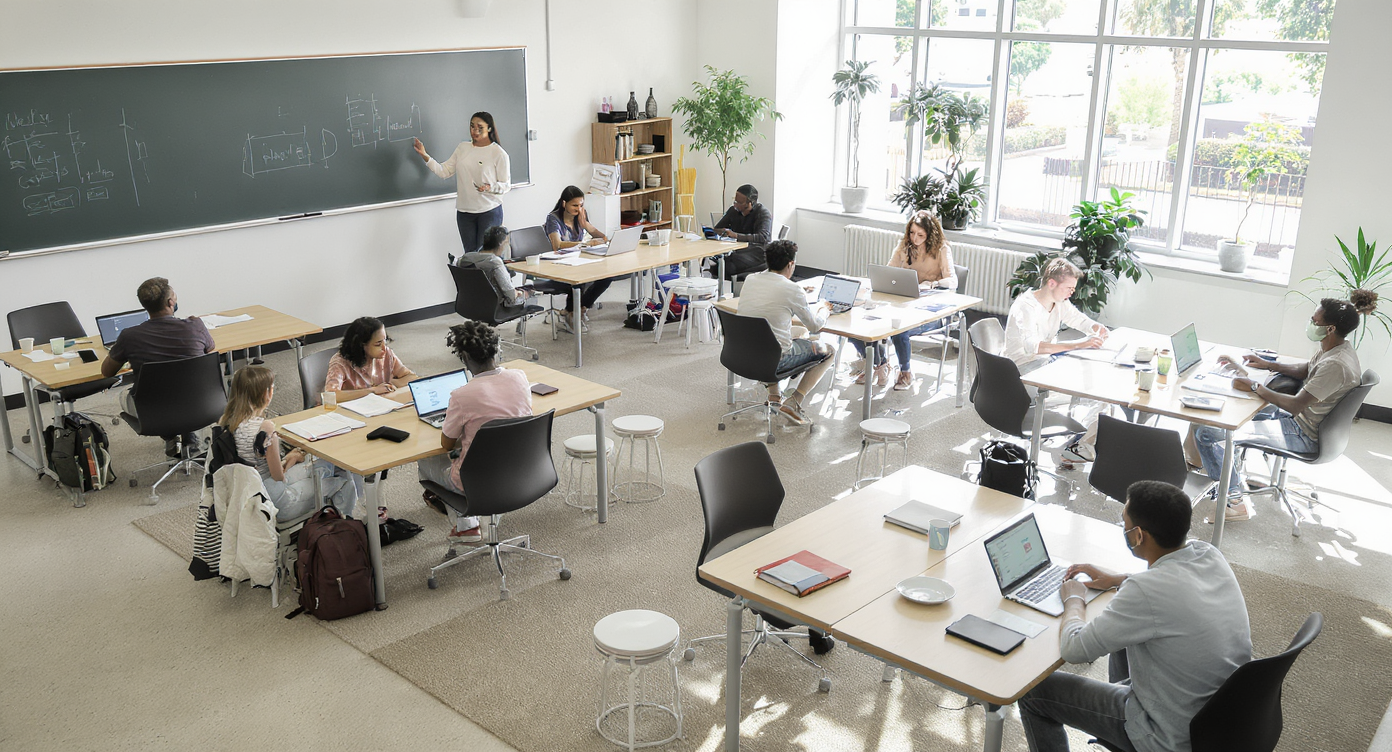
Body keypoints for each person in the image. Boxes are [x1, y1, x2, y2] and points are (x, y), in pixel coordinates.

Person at [1018, 480, 1251, 752]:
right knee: (1125, 634)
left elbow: (1074, 649)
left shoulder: (1144, 591)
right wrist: (1118, 579)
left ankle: (1127, 734)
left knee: (1033, 692)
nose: (1123, 529)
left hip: (1166, 734)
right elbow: (1172, 590)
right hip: (1213, 717)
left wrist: (1073, 598)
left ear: (1138, 535)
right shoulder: (1209, 554)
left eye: (1124, 524)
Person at [1192, 295, 1368, 522]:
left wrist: (1255, 386)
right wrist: (1268, 364)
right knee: (1229, 415)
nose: (1310, 324)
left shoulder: (1336, 364)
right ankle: (1233, 478)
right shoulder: (1336, 347)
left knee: (1206, 433)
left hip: (1303, 432)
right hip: (1301, 419)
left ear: (1330, 328)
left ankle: (1234, 501)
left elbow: (1295, 404)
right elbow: (1306, 369)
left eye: (1314, 321)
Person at [415, 321, 533, 541]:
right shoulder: (519, 377)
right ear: (496, 350)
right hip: (520, 469)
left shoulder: (461, 395)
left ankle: (466, 525)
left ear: (465, 357)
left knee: (428, 460)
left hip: (477, 480)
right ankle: (471, 520)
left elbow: (446, 444)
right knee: (470, 450)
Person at [218, 366, 358, 520]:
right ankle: (344, 525)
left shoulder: (225, 424)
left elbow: (257, 464)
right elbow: (278, 476)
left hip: (246, 493)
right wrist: (285, 463)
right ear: (266, 394)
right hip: (274, 500)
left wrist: (287, 459)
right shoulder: (265, 429)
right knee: (342, 479)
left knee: (321, 465)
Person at [101, 277, 216, 456]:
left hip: (153, 413)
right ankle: (188, 438)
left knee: (126, 394)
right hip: (202, 404)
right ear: (170, 302)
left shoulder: (129, 336)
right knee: (181, 387)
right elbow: (210, 348)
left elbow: (107, 371)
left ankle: (171, 436)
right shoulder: (195, 326)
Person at [849, 211, 959, 391]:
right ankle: (879, 365)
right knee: (859, 324)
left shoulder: (942, 249)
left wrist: (932, 284)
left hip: (930, 311)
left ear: (930, 234)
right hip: (903, 304)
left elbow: (953, 281)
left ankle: (905, 372)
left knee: (899, 329)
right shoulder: (904, 246)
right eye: (912, 233)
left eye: (920, 235)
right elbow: (888, 271)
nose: (915, 238)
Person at [735, 239, 834, 426]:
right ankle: (794, 401)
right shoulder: (792, 289)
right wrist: (824, 310)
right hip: (774, 360)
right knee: (828, 350)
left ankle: (774, 396)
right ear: (790, 264)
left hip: (742, 354)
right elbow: (815, 326)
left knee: (797, 332)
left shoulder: (751, 279)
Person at [413, 111, 511, 255]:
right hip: (465, 213)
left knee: (486, 258)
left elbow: (506, 185)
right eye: (472, 126)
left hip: (489, 211)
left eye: (480, 128)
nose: (475, 131)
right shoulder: (463, 148)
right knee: (470, 257)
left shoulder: (498, 153)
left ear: (489, 128)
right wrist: (425, 155)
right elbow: (444, 171)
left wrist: (490, 187)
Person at [1003, 257, 1108, 373]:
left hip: (1044, 359)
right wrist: (1079, 345)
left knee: (1083, 366)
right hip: (1019, 366)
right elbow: (1032, 347)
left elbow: (1079, 320)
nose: (1071, 293)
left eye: (1073, 289)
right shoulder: (1025, 306)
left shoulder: (1060, 302)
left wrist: (1096, 327)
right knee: (1072, 372)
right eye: (1069, 288)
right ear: (1052, 284)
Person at [543, 186, 617, 333]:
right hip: (560, 263)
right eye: (575, 205)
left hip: (580, 260)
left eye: (581, 205)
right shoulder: (553, 218)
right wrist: (584, 244)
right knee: (578, 278)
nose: (578, 209)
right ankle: (572, 313)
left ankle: (579, 308)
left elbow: (602, 238)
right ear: (564, 203)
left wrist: (586, 225)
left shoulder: (581, 215)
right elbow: (557, 245)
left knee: (607, 276)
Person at [323, 317, 418, 402]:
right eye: (378, 344)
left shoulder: (386, 354)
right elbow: (330, 395)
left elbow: (411, 377)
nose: (384, 348)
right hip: (353, 409)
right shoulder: (340, 363)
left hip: (381, 404)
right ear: (361, 345)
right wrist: (372, 390)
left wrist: (390, 383)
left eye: (385, 341)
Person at [456, 225, 533, 319]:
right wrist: (520, 293)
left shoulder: (466, 258)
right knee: (531, 292)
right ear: (501, 244)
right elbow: (511, 296)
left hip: (470, 305)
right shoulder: (495, 262)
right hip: (496, 309)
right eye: (506, 243)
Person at [712, 184, 774, 281]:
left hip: (757, 252)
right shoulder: (733, 210)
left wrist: (736, 236)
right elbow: (717, 228)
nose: (735, 205)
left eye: (739, 202)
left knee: (726, 266)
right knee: (718, 264)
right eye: (735, 201)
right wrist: (722, 232)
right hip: (736, 250)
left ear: (750, 203)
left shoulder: (763, 213)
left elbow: (763, 237)